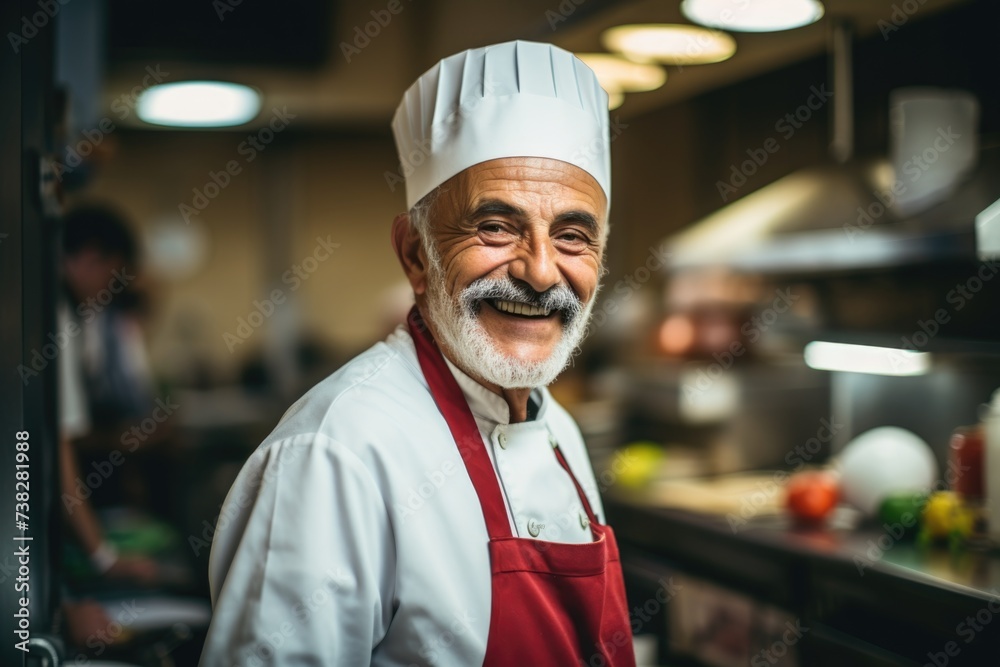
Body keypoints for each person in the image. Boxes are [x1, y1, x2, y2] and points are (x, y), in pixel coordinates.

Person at [201, 40, 635, 666]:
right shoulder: (336, 454)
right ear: (415, 254)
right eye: (497, 226)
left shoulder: (558, 429)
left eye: (572, 236)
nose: (541, 272)